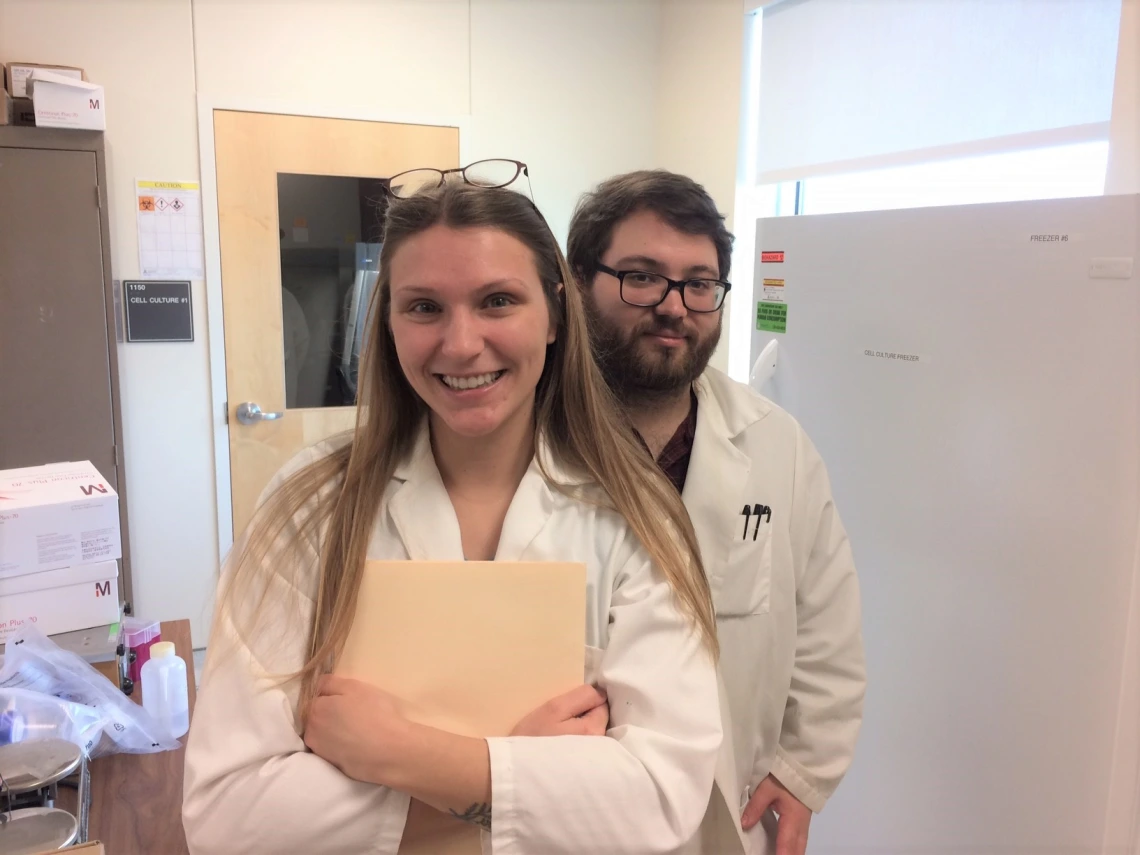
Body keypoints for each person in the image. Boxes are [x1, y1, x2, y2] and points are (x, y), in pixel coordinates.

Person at [183, 181, 723, 854]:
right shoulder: (309, 508)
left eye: (498, 300)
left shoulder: (635, 515)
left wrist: (402, 753)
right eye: (424, 307)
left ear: (556, 316)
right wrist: (514, 774)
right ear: (388, 323)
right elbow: (227, 812)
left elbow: (659, 799)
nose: (462, 343)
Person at [568, 170, 866, 855]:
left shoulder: (775, 443)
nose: (675, 305)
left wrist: (804, 771)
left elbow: (827, 620)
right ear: (579, 282)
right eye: (641, 276)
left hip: (728, 806)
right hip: (576, 811)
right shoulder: (524, 442)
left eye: (699, 283)